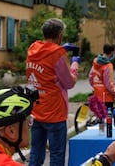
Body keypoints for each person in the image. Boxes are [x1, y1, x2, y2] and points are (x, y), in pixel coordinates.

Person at [0, 87, 115, 166]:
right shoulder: (1, 164)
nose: (30, 126)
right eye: (28, 122)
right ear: (11, 131)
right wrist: (108, 159)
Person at [26, 18, 79, 166]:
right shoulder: (57, 54)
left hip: (37, 109)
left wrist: (61, 49)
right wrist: (74, 64)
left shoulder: (33, 49)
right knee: (56, 155)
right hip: (55, 112)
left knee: (36, 152)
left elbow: (45, 63)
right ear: (60, 35)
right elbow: (69, 82)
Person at [89, 43, 115, 111]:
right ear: (112, 52)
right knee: (107, 118)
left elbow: (90, 77)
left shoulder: (96, 62)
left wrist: (96, 87)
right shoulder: (108, 66)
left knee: (100, 117)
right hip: (106, 97)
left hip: (97, 95)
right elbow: (109, 85)